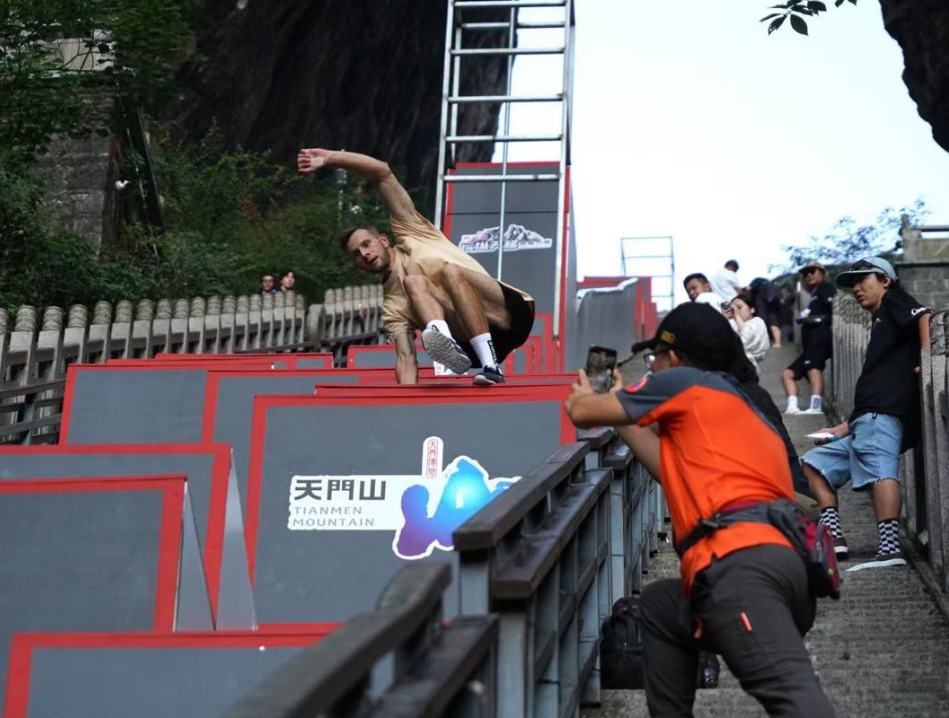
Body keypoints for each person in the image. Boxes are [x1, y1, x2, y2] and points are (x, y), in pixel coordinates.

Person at [565, 303, 834, 718]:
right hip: (787, 569)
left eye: (655, 358)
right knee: (658, 607)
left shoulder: (684, 383)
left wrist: (589, 396)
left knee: (798, 701)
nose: (652, 367)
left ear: (675, 357)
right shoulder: (739, 406)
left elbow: (581, 413)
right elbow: (664, 467)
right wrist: (623, 413)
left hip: (741, 571)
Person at [297, 148, 536, 385]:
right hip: (468, 344)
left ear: (383, 239)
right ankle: (446, 343)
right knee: (413, 283)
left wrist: (330, 158)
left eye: (366, 244)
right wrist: (405, 411)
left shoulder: (412, 231)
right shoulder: (392, 306)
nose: (364, 254)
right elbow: (406, 359)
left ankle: (489, 365)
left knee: (450, 271)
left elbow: (382, 173)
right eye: (357, 255)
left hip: (509, 315)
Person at [801, 257, 930, 570]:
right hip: (865, 419)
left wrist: (927, 360)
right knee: (815, 466)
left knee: (881, 472)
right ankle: (834, 538)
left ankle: (890, 549)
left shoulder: (894, 301)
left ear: (885, 280)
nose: (857, 288)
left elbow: (924, 316)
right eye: (852, 283)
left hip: (882, 414)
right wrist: (843, 428)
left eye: (863, 280)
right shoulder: (881, 320)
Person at [781, 260, 835, 415]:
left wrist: (813, 318)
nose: (809, 275)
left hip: (819, 336)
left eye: (813, 271)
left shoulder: (825, 287)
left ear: (822, 273)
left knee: (813, 368)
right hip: (809, 341)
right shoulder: (814, 294)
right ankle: (792, 407)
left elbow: (832, 306)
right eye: (805, 273)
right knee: (788, 374)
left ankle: (815, 406)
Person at [723, 292, 770, 371]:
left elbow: (747, 337)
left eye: (739, 307)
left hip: (747, 368)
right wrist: (722, 320)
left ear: (752, 309)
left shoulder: (758, 321)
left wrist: (737, 316)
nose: (736, 311)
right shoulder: (735, 325)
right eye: (733, 309)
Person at [749, 276, 783, 349]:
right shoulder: (772, 285)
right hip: (772, 306)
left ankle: (758, 343)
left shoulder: (756, 282)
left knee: (760, 324)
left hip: (761, 306)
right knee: (774, 324)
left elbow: (749, 289)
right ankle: (777, 343)